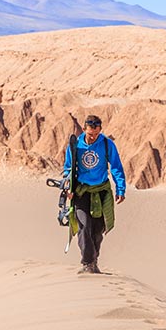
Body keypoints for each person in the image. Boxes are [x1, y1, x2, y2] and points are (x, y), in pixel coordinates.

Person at [62, 115, 126, 274]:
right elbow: (68, 169)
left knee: (98, 230)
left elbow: (116, 167)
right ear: (84, 130)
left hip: (101, 191)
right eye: (90, 134)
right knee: (84, 226)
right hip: (82, 191)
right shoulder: (75, 145)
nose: (93, 137)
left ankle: (94, 260)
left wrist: (120, 189)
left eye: (96, 134)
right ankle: (87, 262)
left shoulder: (106, 144)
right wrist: (67, 187)